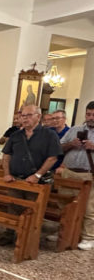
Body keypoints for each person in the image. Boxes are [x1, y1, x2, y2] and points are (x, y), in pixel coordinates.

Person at [0, 104, 62, 246]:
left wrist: (37, 175)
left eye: (29, 115)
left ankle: (28, 238)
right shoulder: (16, 135)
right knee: (13, 207)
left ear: (38, 116)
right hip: (16, 179)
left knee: (32, 210)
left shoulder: (49, 135)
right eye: (23, 115)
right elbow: (6, 155)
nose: (25, 118)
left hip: (37, 182)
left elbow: (53, 157)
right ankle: (9, 233)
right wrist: (7, 173)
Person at [56, 101, 94, 250]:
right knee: (64, 203)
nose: (90, 117)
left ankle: (88, 237)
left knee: (89, 207)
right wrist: (71, 144)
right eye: (88, 114)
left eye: (93, 115)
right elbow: (58, 147)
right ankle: (62, 231)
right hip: (69, 172)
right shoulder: (74, 130)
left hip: (88, 174)